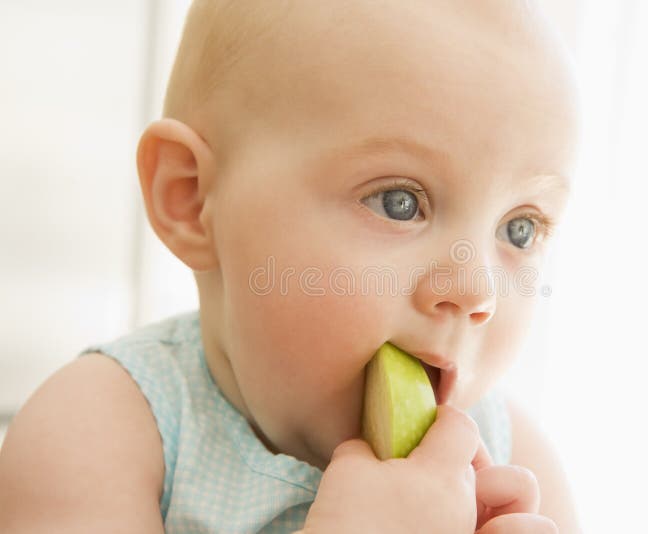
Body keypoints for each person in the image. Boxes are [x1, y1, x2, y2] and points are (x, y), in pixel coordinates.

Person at [0, 0, 582, 532]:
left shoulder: (517, 463)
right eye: (398, 202)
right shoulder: (99, 435)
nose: (477, 290)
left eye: (520, 228)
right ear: (194, 199)